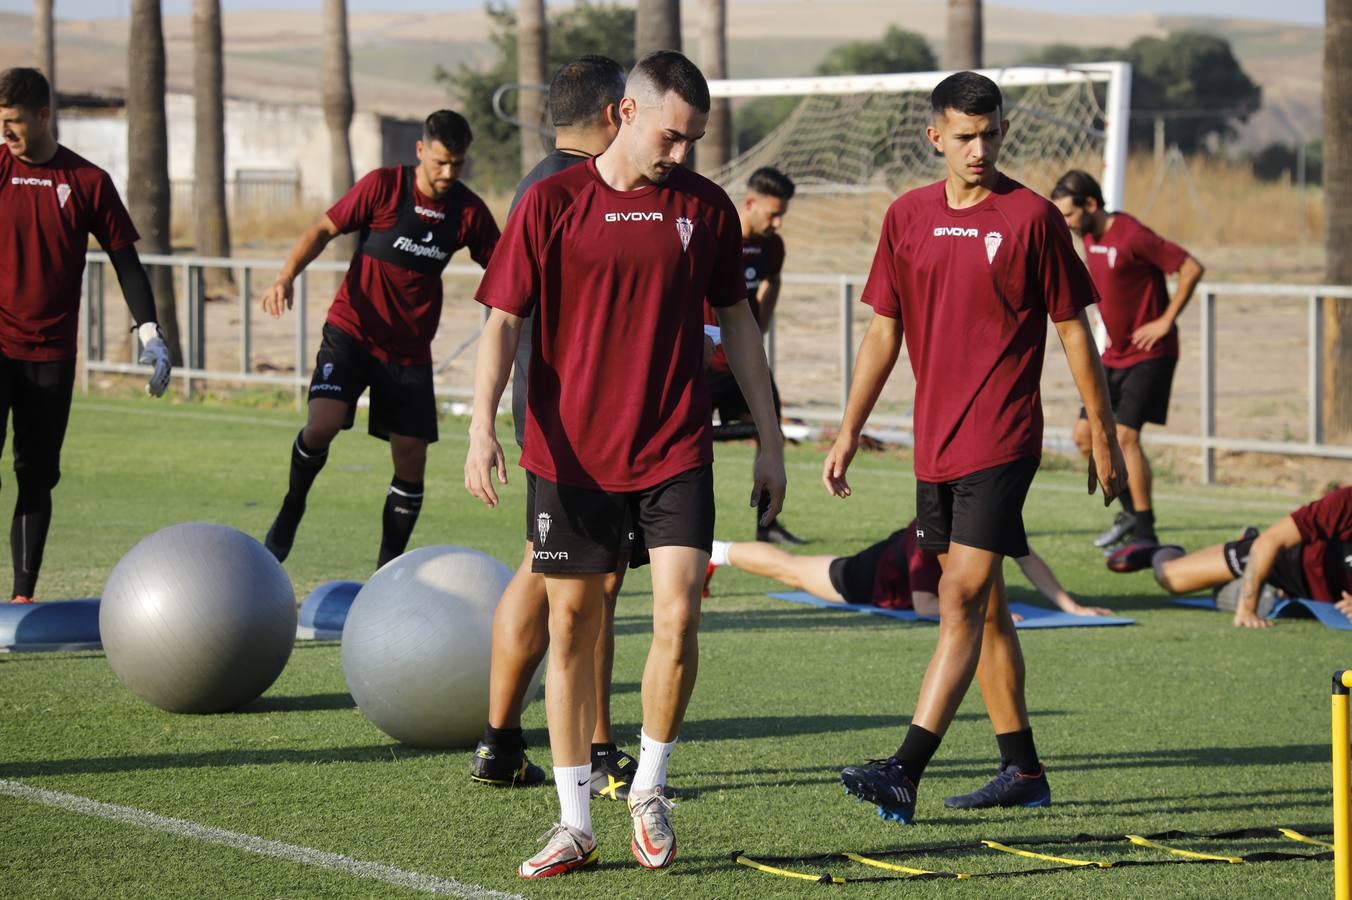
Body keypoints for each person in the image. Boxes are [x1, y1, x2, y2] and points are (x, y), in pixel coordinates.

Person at [465, 51, 786, 878]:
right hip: (568, 454)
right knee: (572, 627)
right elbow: (502, 321)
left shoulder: (706, 210)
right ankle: (574, 822)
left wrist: (771, 435)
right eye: (674, 137)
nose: (682, 154)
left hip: (675, 447)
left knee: (678, 613)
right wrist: (479, 429)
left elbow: (738, 324)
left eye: (696, 141)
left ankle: (648, 786)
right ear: (625, 115)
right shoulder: (551, 202)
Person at [820, 72, 1126, 824]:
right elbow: (883, 331)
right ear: (936, 137)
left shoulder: (1030, 218)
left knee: (957, 598)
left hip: (1003, 438)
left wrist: (1104, 434)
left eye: (991, 134)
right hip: (936, 447)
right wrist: (851, 428)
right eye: (964, 136)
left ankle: (904, 767)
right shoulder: (907, 216)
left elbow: (1072, 332)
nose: (979, 148)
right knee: (985, 609)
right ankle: (1022, 770)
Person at [469, 56, 644, 801]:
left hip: (551, 406)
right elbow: (507, 316)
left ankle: (501, 741)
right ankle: (597, 747)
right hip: (572, 412)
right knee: (588, 579)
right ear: (615, 115)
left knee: (545, 569)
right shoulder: (567, 187)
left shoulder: (538, 176)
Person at [260, 110, 498, 569]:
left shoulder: (467, 211)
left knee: (411, 461)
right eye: (441, 162)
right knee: (323, 424)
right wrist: (285, 277)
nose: (448, 172)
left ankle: (386, 573)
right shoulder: (382, 187)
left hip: (409, 353)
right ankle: (292, 508)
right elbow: (323, 230)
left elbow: (506, 267)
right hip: (352, 331)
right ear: (421, 151)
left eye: (458, 164)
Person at [0, 67, 171, 603]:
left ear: (44, 116)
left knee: (36, 475)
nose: (5, 134)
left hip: (51, 354)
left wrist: (150, 332)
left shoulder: (88, 182)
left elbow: (127, 263)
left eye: (14, 123)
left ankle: (21, 599)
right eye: (0, 123)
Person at [1050, 170, 1204, 557]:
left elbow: (1190, 267)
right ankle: (1131, 514)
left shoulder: (1132, 235)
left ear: (1090, 204)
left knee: (1126, 437)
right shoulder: (1087, 234)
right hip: (1114, 355)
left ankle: (1146, 532)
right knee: (1085, 436)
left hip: (1151, 354)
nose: (1065, 224)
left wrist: (1165, 320)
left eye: (1069, 216)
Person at [704, 520, 1114, 618]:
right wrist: (990, 612)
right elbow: (924, 605)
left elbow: (1026, 557)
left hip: (890, 568)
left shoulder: (988, 516)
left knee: (791, 568)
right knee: (791, 570)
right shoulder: (930, 530)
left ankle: (718, 552)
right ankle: (716, 552)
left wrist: (1071, 606)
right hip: (860, 579)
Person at [703, 166, 804, 544]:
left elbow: (771, 281)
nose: (777, 222)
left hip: (744, 362)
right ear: (749, 203)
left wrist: (758, 328)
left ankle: (767, 526)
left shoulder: (771, 246)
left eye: (783, 214)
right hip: (706, 361)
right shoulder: (715, 236)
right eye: (772, 213)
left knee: (770, 431)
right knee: (684, 441)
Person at [1148, 485, 1352, 629]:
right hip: (1281, 562)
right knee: (1171, 578)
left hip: (1309, 597)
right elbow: (1270, 542)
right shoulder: (1346, 501)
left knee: (1256, 596)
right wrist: (1247, 609)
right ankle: (1154, 550)